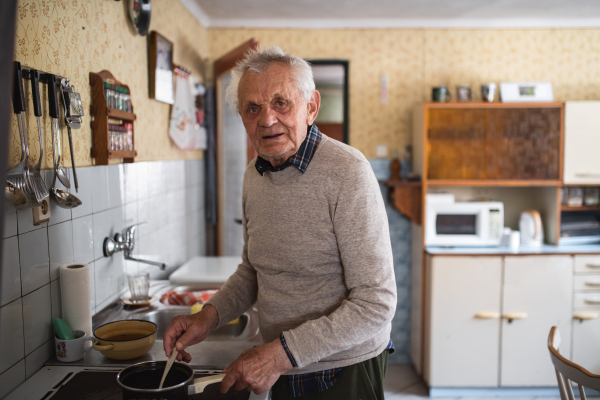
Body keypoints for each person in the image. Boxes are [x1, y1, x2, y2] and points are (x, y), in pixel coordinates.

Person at [163, 46, 397, 400]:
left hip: (342, 370)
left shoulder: (349, 173)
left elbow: (376, 302)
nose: (267, 120)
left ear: (312, 107)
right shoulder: (253, 177)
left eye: (281, 103)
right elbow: (251, 272)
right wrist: (206, 318)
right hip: (282, 363)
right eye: (252, 108)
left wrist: (279, 354)